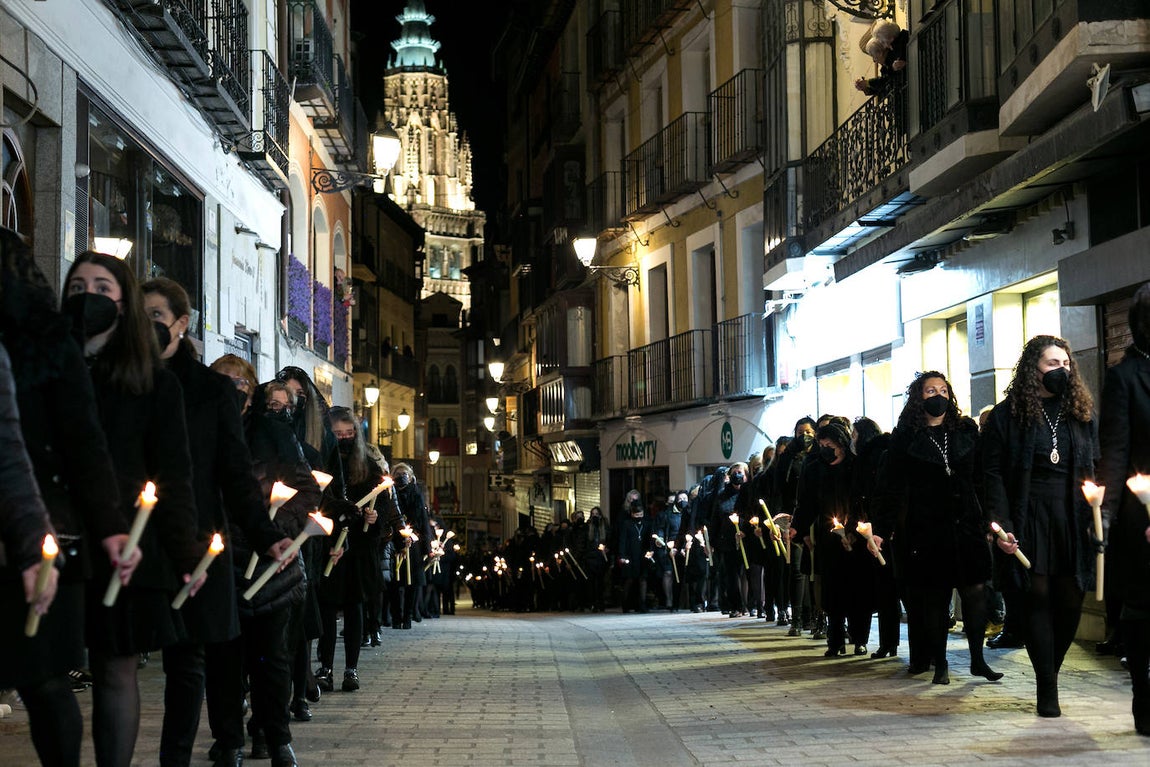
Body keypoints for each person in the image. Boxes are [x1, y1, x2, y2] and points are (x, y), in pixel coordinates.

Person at [142, 278, 290, 767]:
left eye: (157, 317)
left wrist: (268, 534)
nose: (145, 327)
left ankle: (179, 758)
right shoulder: (123, 379)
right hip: (137, 541)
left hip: (198, 540)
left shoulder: (210, 392)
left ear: (182, 325)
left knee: (189, 662)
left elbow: (233, 473)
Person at [64, 251, 202, 767]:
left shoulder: (153, 383)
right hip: (58, 531)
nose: (88, 298)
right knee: (50, 672)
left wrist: (185, 551)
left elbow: (175, 474)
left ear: (124, 305)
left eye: (102, 288)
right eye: (78, 288)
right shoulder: (53, 368)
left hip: (124, 539)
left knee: (114, 668)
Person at [0, 229, 131, 767]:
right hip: (42, 525)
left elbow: (81, 442)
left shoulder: (48, 340)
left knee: (46, 681)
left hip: (48, 529)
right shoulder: (54, 337)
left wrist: (112, 528)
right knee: (42, 681)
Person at [208, 361, 318, 766]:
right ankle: (229, 739)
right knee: (223, 660)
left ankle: (276, 737)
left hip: (270, 563)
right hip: (220, 560)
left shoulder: (272, 433)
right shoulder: (205, 428)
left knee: (270, 657)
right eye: (222, 382)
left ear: (251, 390)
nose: (232, 391)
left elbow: (307, 491)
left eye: (239, 383)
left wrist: (278, 531)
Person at [982, 336, 1099, 717]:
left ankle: (1052, 669)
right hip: (1027, 516)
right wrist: (1002, 526)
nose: (1061, 370)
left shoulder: (1081, 415)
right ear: (1033, 369)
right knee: (1036, 599)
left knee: (1070, 601)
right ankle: (1046, 685)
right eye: (1052, 364)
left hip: (1071, 516)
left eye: (1065, 364)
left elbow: (1095, 467)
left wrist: (1100, 511)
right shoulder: (1006, 416)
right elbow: (993, 474)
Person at [881, 371, 1000, 684]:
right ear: (919, 397)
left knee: (975, 593)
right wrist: (884, 526)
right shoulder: (906, 436)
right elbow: (891, 485)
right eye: (930, 390)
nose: (938, 395)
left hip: (967, 523)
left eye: (944, 390)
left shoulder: (964, 430)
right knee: (935, 598)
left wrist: (989, 517)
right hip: (927, 526)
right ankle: (941, 663)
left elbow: (980, 478)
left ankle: (977, 659)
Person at [1098, 283, 1150, 735]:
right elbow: (1115, 452)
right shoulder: (1125, 377)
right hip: (1143, 508)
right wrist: (1109, 516)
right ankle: (1143, 687)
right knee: (1143, 605)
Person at [315, 407, 389, 695]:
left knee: (355, 607)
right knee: (327, 609)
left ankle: (351, 668)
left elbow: (381, 505)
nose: (344, 439)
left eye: (349, 433)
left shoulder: (368, 468)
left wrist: (374, 518)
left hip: (358, 548)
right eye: (338, 434)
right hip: (330, 546)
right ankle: (326, 667)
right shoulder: (322, 464)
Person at [793, 422, 874, 656]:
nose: (826, 449)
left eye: (830, 445)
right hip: (829, 539)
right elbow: (806, 503)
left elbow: (862, 501)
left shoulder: (855, 466)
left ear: (841, 443)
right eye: (822, 445)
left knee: (858, 591)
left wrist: (851, 531)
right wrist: (797, 528)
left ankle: (860, 638)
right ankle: (835, 641)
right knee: (833, 591)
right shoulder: (816, 469)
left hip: (855, 537)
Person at [851, 417, 898, 658]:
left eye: (855, 435)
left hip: (879, 531)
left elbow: (875, 495)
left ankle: (889, 642)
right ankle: (890, 643)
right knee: (889, 589)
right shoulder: (878, 453)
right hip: (880, 529)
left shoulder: (872, 457)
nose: (852, 440)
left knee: (886, 589)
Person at [616, 490, 651, 613]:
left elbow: (649, 539)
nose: (638, 517)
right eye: (636, 515)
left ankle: (642, 603)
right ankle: (625, 604)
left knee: (643, 579)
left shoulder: (646, 524)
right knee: (629, 580)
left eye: (640, 514)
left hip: (642, 554)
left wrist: (650, 551)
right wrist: (622, 555)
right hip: (630, 554)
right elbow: (622, 540)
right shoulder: (627, 524)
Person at [855, 19, 908, 96]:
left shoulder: (902, 42)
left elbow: (887, 79)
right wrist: (866, 87)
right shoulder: (886, 65)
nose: (885, 46)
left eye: (883, 42)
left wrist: (868, 83)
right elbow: (882, 88)